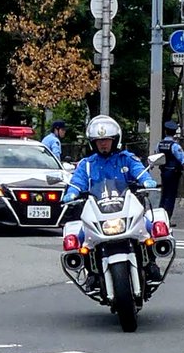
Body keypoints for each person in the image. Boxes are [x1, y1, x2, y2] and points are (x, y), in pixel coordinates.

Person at [62, 115, 161, 285]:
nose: (103, 143)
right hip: (98, 210)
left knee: (150, 228)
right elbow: (77, 182)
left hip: (125, 206)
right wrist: (71, 192)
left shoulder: (126, 158)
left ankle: (151, 264)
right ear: (93, 142)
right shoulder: (87, 164)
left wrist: (146, 180)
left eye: (107, 139)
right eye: (99, 140)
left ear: (115, 140)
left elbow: (139, 170)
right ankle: (92, 272)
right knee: (80, 238)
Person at [157, 120, 184, 219]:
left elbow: (156, 157)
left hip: (163, 172)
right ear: (174, 133)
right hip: (173, 173)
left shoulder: (160, 144)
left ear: (165, 131)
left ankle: (159, 218)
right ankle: (167, 219)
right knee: (171, 196)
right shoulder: (175, 146)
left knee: (164, 195)